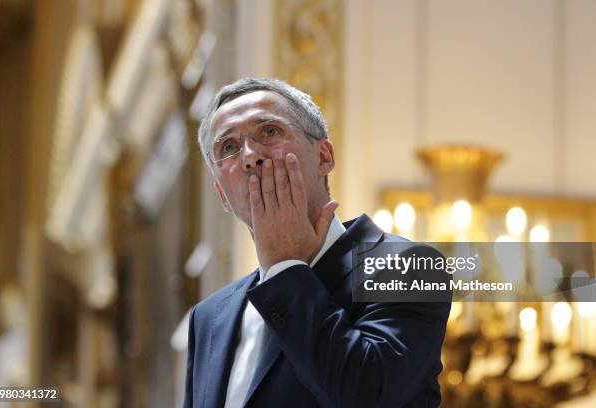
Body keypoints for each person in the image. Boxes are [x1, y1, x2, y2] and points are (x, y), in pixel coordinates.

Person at [183, 78, 451, 408]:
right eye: (228, 147)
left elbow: (366, 395)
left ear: (324, 156)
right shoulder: (210, 316)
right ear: (223, 196)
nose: (250, 155)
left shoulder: (410, 268)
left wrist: (286, 268)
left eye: (269, 131)